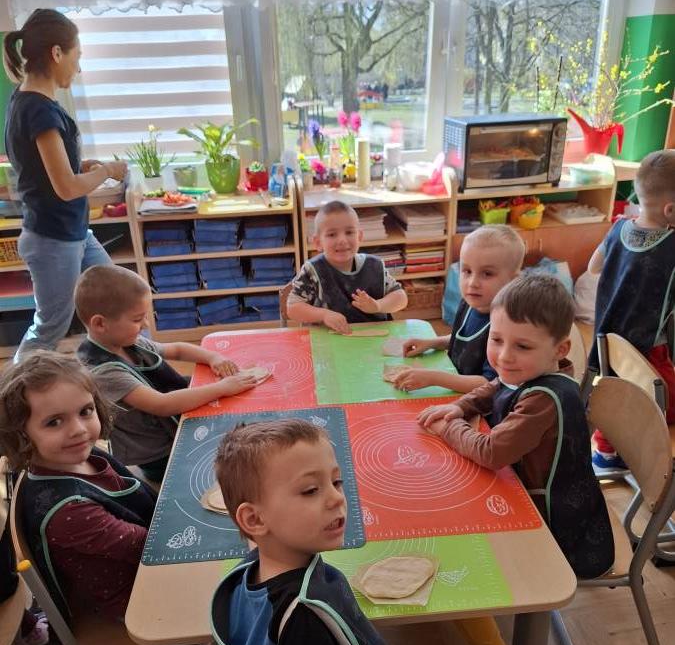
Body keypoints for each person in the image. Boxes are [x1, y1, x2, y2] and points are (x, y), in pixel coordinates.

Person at [210, 418, 520, 645]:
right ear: (254, 520)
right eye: (310, 490)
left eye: (336, 482)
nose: (336, 498)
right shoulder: (304, 621)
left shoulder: (249, 571)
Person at [418, 275, 614, 645]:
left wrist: (449, 428)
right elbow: (494, 388)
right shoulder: (528, 371)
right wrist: (458, 406)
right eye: (497, 340)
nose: (504, 356)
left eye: (522, 346)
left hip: (557, 524)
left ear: (560, 350)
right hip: (526, 493)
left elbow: (490, 452)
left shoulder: (543, 399)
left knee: (452, 541)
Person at [3, 9, 128, 360]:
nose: (79, 68)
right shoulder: (39, 110)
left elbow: (44, 170)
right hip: (53, 239)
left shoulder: (26, 100)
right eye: (77, 57)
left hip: (72, 232)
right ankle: (17, 388)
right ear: (57, 53)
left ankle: (124, 368)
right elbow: (67, 187)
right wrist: (108, 171)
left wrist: (83, 165)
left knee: (120, 297)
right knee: (49, 328)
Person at [0, 351, 156, 622]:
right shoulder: (69, 513)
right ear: (21, 434)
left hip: (144, 567)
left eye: (85, 411)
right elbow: (150, 547)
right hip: (134, 598)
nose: (79, 429)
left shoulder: (82, 455)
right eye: (54, 422)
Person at [75, 265, 258, 482]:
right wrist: (222, 388)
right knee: (231, 466)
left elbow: (177, 350)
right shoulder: (103, 372)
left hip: (173, 425)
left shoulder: (125, 341)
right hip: (160, 455)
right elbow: (162, 405)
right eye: (137, 319)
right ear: (100, 323)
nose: (145, 324)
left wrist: (213, 358)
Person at [587, 149, 675, 471]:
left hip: (607, 338)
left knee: (617, 388)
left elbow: (593, 267)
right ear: (670, 210)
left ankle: (606, 449)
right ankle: (628, 450)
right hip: (649, 348)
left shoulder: (617, 229)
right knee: (659, 397)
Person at [394, 225, 525, 395]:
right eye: (467, 271)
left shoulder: (506, 326)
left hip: (479, 404)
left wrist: (434, 378)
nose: (472, 283)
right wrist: (433, 343)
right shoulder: (469, 303)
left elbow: (490, 384)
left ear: (513, 280)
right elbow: (464, 340)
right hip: (456, 393)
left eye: (487, 274)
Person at [287, 200, 408, 335]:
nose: (342, 240)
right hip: (328, 340)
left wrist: (378, 305)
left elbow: (401, 298)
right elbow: (293, 308)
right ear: (318, 242)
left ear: (359, 237)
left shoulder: (374, 266)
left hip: (373, 338)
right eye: (332, 234)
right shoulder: (312, 270)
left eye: (349, 232)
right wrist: (324, 315)